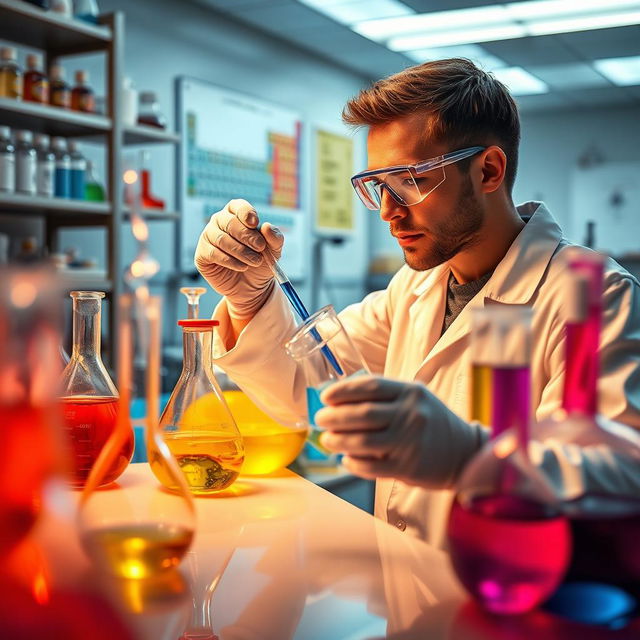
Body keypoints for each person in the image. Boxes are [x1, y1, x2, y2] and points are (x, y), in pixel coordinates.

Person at [194, 58, 640, 548]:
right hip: (409, 605)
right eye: (377, 186)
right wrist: (249, 296)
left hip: (516, 610)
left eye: (408, 180)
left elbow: (621, 477)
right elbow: (307, 391)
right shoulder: (413, 289)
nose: (387, 210)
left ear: (488, 170)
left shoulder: (591, 296)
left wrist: (469, 456)